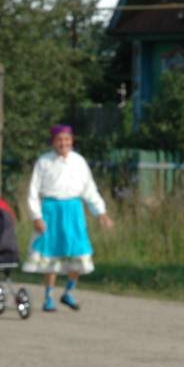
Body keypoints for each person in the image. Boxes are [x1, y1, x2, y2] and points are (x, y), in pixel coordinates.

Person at [23, 124, 113, 312]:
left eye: (67, 139)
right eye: (59, 140)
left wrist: (101, 212)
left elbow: (89, 189)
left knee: (78, 252)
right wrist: (36, 216)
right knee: (52, 254)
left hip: (73, 210)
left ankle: (68, 292)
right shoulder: (44, 162)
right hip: (51, 210)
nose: (64, 143)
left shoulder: (79, 162)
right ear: (53, 142)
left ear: (72, 141)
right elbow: (33, 191)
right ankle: (48, 296)